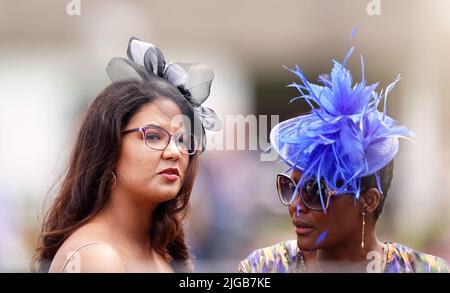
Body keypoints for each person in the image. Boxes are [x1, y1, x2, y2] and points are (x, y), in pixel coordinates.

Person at [238, 45, 450, 273]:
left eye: (314, 192)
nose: (295, 206)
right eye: (289, 187)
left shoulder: (425, 270)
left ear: (368, 201)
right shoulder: (263, 268)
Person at [33, 38, 220, 273]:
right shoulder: (96, 257)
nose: (174, 152)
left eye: (183, 141)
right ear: (108, 147)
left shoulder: (161, 253)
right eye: (153, 136)